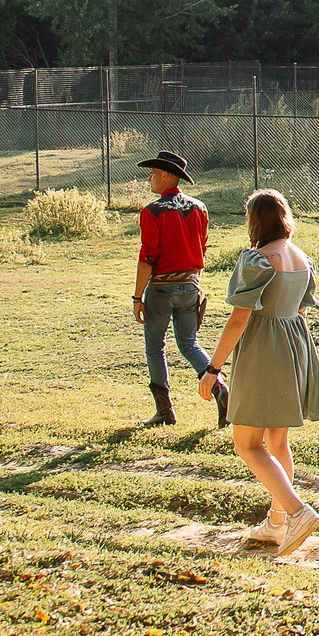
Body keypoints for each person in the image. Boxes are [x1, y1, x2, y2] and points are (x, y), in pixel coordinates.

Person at [199, 189, 319, 557]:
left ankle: (298, 512)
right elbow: (301, 313)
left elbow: (239, 319)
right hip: (295, 347)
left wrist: (213, 368)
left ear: (255, 221)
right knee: (277, 442)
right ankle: (276, 523)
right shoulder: (303, 259)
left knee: (247, 444)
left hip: (263, 351)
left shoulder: (257, 259)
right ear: (284, 216)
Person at [132, 151, 225, 429]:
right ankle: (220, 389)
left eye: (153, 173)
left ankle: (165, 410)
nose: (149, 178)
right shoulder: (199, 208)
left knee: (155, 347)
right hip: (190, 285)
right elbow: (202, 246)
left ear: (165, 176)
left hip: (161, 287)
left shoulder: (152, 211)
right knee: (189, 344)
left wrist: (137, 296)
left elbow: (148, 255)